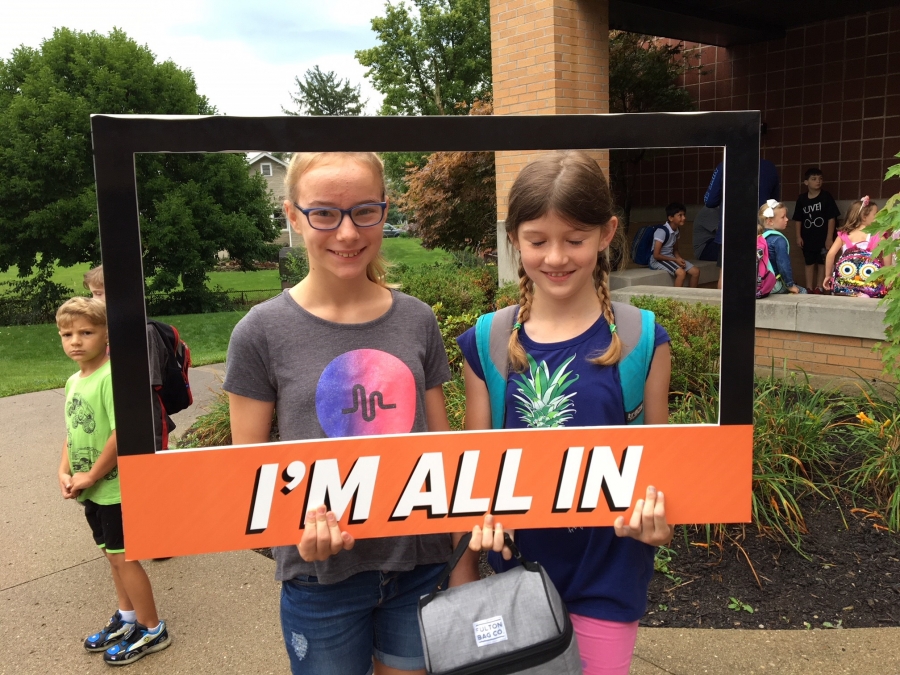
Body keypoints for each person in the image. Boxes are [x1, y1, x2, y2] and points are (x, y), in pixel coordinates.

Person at [223, 151, 466, 675]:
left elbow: (441, 452)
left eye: (364, 211)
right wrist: (292, 529)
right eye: (325, 213)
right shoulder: (260, 332)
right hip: (321, 578)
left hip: (418, 563)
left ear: (384, 210)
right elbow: (248, 472)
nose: (348, 232)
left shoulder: (416, 320)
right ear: (293, 216)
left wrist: (461, 555)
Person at [455, 151, 673, 675]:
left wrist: (660, 523)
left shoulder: (642, 339)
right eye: (537, 240)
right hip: (515, 580)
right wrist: (463, 577)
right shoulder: (487, 342)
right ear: (514, 239)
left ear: (607, 233)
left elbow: (660, 469)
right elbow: (471, 473)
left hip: (608, 580)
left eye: (574, 239)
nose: (556, 256)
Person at [56, 297, 170, 665]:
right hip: (92, 489)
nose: (75, 341)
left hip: (116, 489)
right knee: (111, 556)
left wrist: (92, 473)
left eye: (86, 332)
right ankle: (127, 618)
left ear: (108, 335)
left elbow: (122, 433)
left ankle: (153, 629)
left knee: (125, 559)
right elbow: (71, 431)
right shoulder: (75, 379)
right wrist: (64, 469)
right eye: (67, 334)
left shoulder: (111, 377)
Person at [83, 266, 173, 451]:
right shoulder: (108, 332)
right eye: (92, 294)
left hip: (143, 415)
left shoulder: (144, 332)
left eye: (98, 293)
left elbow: (148, 385)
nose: (94, 300)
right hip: (114, 412)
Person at [704, 157, 780, 289]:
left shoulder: (724, 166)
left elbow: (709, 201)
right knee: (758, 274)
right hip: (759, 231)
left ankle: (724, 309)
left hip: (730, 229)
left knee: (725, 276)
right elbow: (775, 204)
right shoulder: (769, 167)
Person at [823, 196, 889, 298]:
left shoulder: (844, 235)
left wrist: (828, 275)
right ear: (864, 216)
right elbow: (887, 252)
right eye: (876, 214)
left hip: (845, 285)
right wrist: (887, 275)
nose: (878, 217)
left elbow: (830, 254)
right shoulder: (877, 234)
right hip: (870, 285)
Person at [791, 167, 840, 291]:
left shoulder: (826, 197)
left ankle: (819, 287)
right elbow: (798, 219)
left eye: (820, 179)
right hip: (807, 237)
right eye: (814, 179)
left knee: (822, 261)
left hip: (823, 237)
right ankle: (808, 287)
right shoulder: (802, 199)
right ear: (806, 182)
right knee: (809, 261)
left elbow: (831, 218)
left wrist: (829, 238)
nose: (818, 181)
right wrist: (798, 236)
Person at [649, 201, 699, 288]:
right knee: (681, 273)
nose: (684, 218)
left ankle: (691, 296)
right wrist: (675, 260)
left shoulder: (676, 230)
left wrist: (678, 258)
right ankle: (676, 300)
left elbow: (675, 249)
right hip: (657, 260)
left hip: (670, 258)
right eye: (680, 215)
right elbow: (656, 255)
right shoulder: (662, 232)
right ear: (671, 218)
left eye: (684, 215)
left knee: (696, 272)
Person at [760, 200, 805, 294]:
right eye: (783, 217)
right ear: (770, 221)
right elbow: (783, 264)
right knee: (803, 292)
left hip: (760, 282)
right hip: (774, 284)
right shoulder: (779, 240)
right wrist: (790, 285)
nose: (787, 219)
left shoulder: (760, 237)